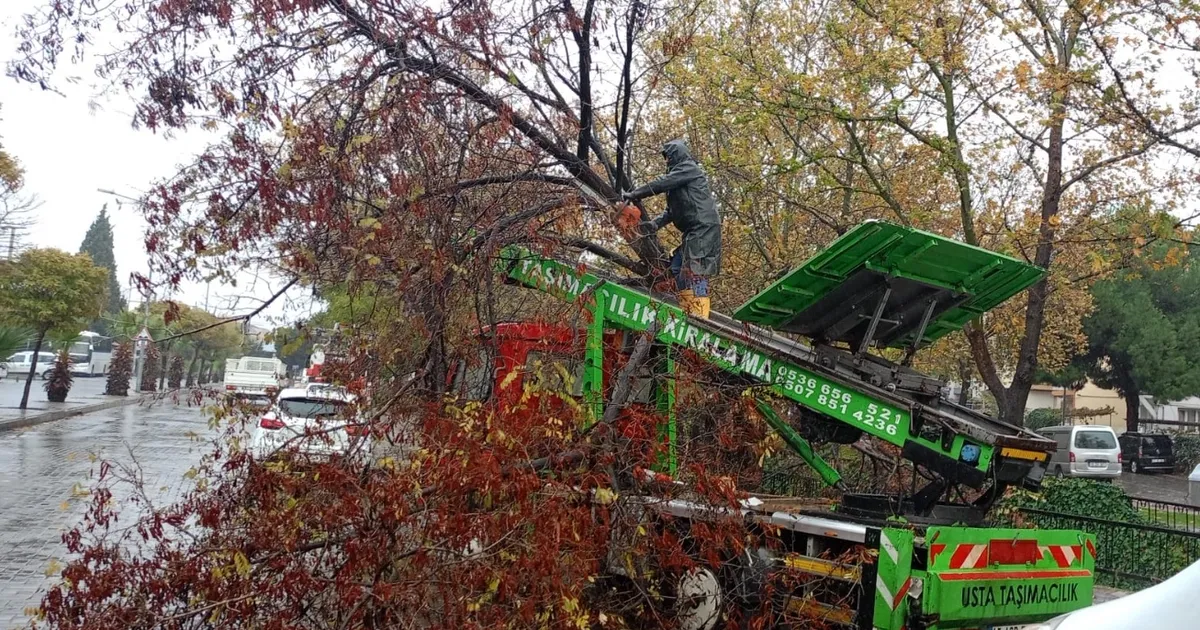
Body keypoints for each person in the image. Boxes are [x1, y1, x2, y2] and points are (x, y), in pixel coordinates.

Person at [621, 139, 722, 318]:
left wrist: (634, 194)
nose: (666, 161)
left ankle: (699, 316)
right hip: (692, 231)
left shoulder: (688, 169)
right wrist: (655, 224)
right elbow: (671, 211)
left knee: (695, 271)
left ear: (676, 155)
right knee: (677, 268)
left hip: (703, 228)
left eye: (668, 157)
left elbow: (662, 183)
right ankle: (688, 308)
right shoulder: (678, 179)